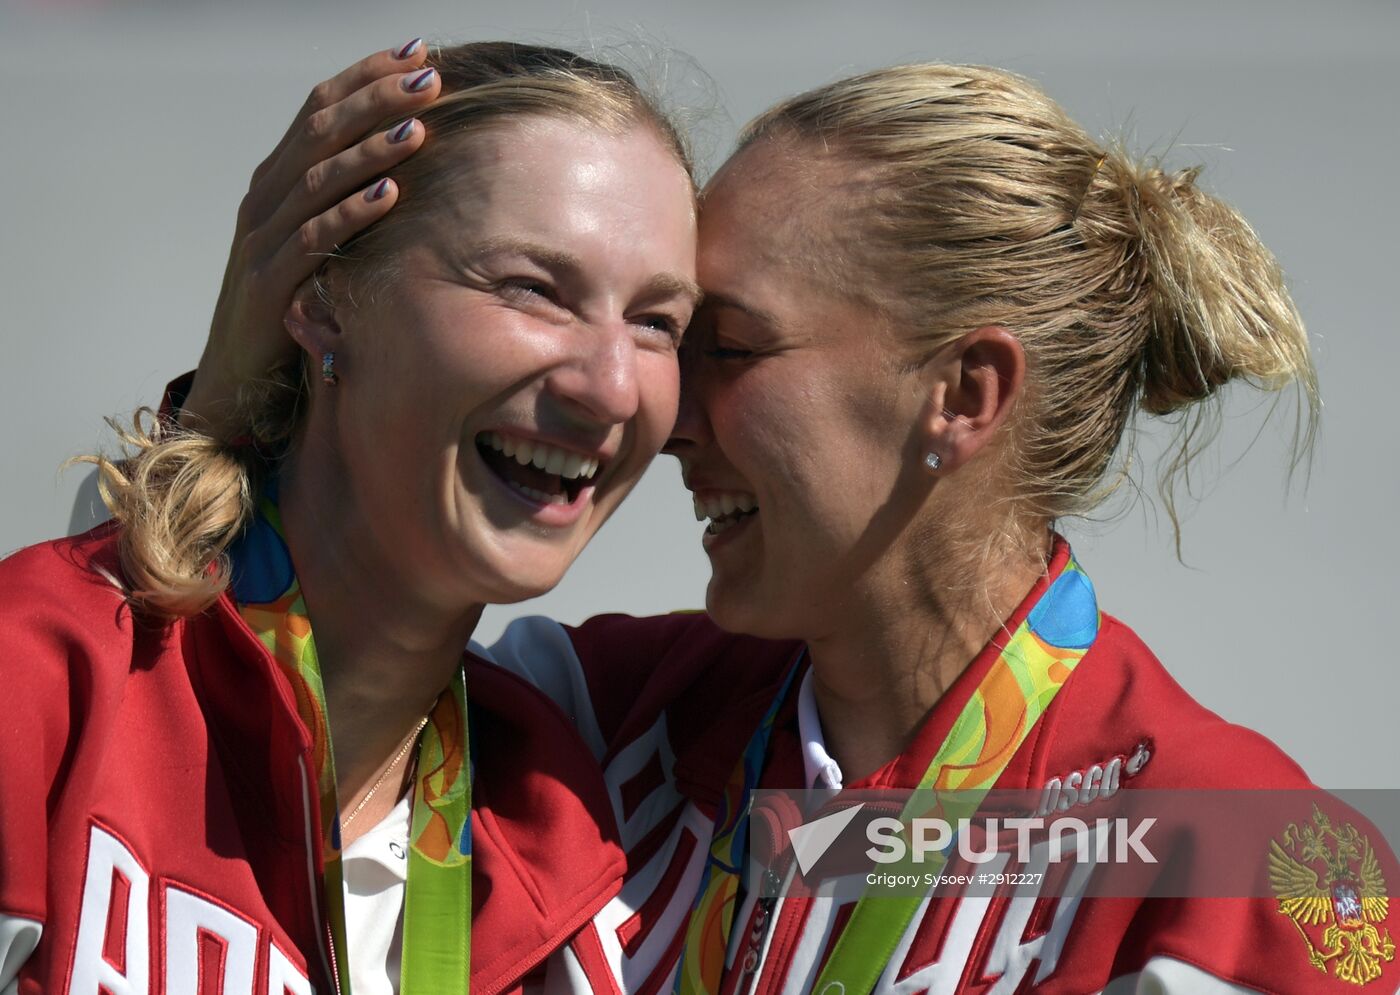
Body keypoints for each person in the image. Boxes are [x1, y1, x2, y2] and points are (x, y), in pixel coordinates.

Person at [102, 53, 1400, 995]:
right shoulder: (601, 720)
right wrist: (235, 400)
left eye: (725, 344)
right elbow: (190, 720)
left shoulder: (1232, 847)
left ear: (963, 392)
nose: (663, 416)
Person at [0, 40, 712, 995]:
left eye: (658, 322)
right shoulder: (43, 677)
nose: (613, 387)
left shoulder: (570, 818)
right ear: (327, 298)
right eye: (535, 290)